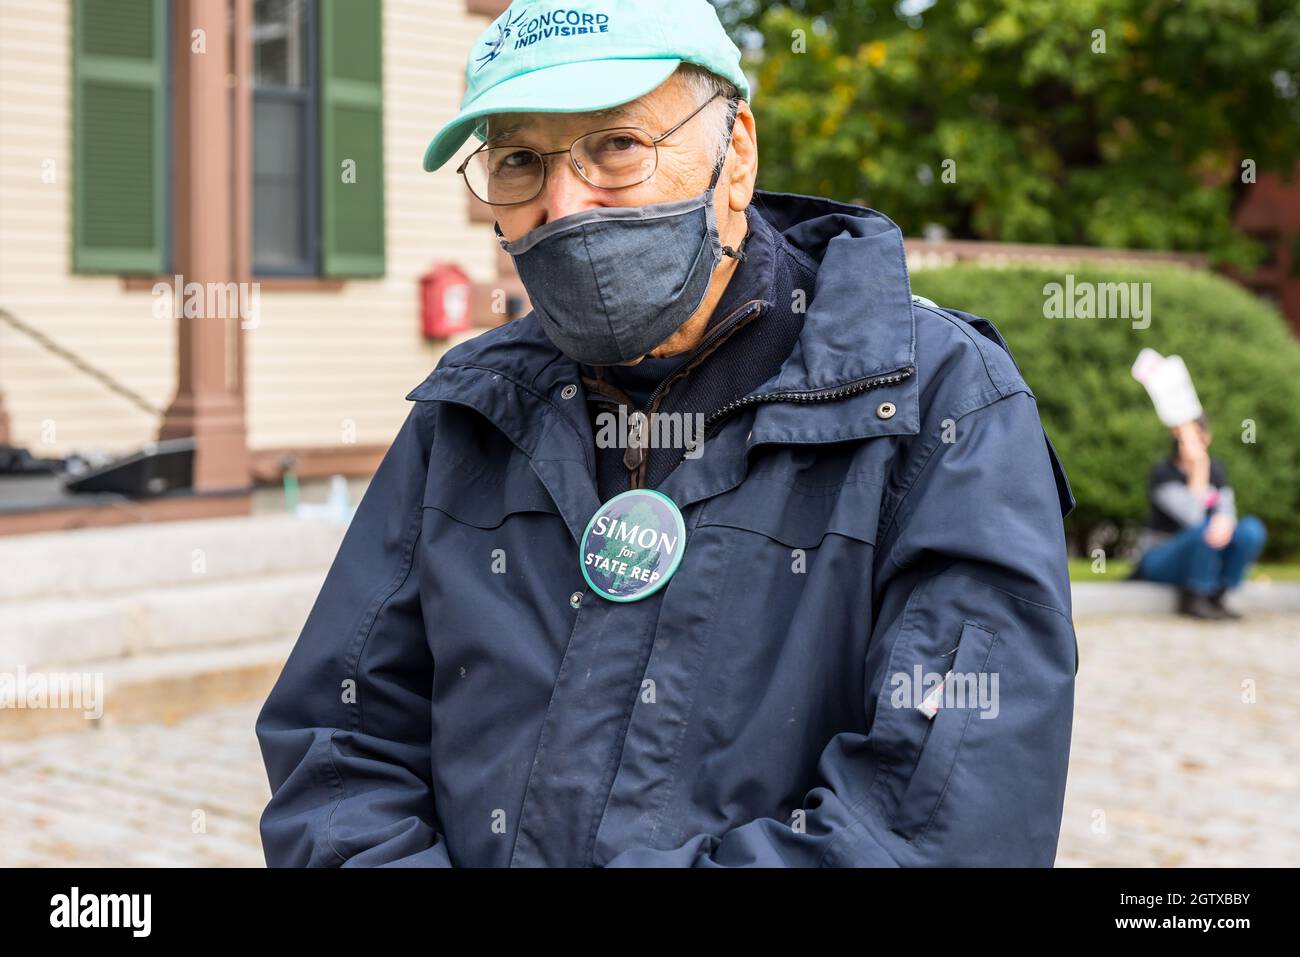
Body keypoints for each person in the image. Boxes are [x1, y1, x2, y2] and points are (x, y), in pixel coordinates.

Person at [255, 0, 1079, 867]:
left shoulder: (943, 405)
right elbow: (336, 751)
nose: (565, 206)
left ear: (736, 155)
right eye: (520, 161)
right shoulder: (468, 411)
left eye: (616, 145)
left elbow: (942, 824)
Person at [1133, 415, 1267, 619]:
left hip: (1209, 546)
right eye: (1189, 439)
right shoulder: (1163, 472)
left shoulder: (1218, 470)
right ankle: (1195, 596)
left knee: (1251, 529)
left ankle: (1217, 595)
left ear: (1207, 439)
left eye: (1199, 438)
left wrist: (1226, 522)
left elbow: (1227, 511)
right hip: (1161, 558)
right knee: (1205, 528)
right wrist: (1199, 467)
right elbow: (1193, 517)